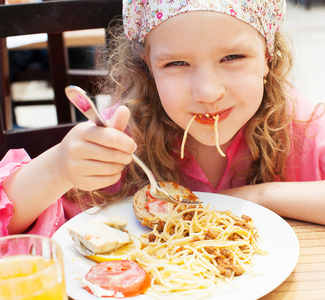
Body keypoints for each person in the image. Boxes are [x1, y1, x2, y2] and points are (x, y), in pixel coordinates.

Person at [1, 0, 325, 237]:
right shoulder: (121, 134)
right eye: (176, 64)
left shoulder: (298, 123)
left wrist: (257, 195)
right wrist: (58, 167)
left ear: (268, 57)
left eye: (233, 57)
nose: (208, 92)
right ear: (147, 68)